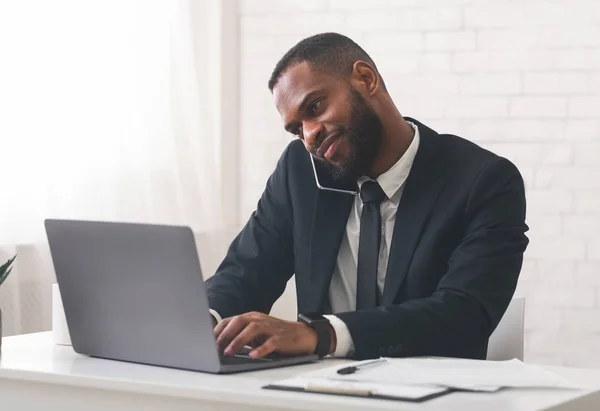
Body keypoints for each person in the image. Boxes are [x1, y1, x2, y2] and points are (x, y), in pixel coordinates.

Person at [206, 32, 529, 361]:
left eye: (315, 107)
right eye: (296, 128)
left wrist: (321, 335)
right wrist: (203, 319)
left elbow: (464, 313)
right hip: (317, 391)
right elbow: (246, 273)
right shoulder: (300, 171)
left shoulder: (483, 181)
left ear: (365, 79)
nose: (309, 135)